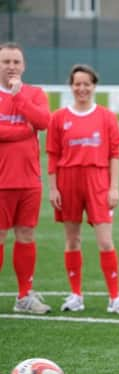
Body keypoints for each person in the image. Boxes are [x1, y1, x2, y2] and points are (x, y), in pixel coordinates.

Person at [46, 64, 119, 314]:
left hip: (98, 181)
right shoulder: (59, 118)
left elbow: (114, 154)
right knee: (72, 239)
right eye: (77, 84)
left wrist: (114, 188)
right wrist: (53, 189)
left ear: (94, 86)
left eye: (87, 84)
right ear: (71, 86)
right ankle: (75, 295)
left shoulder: (106, 117)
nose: (82, 88)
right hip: (68, 180)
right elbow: (52, 156)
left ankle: (115, 297)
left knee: (105, 241)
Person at [0, 42, 51, 314]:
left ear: (24, 65)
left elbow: (44, 121)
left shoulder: (34, 93)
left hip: (30, 181)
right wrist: (22, 130)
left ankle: (23, 297)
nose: (11, 66)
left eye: (16, 62)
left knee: (26, 236)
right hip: (1, 183)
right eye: (6, 61)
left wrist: (19, 98)